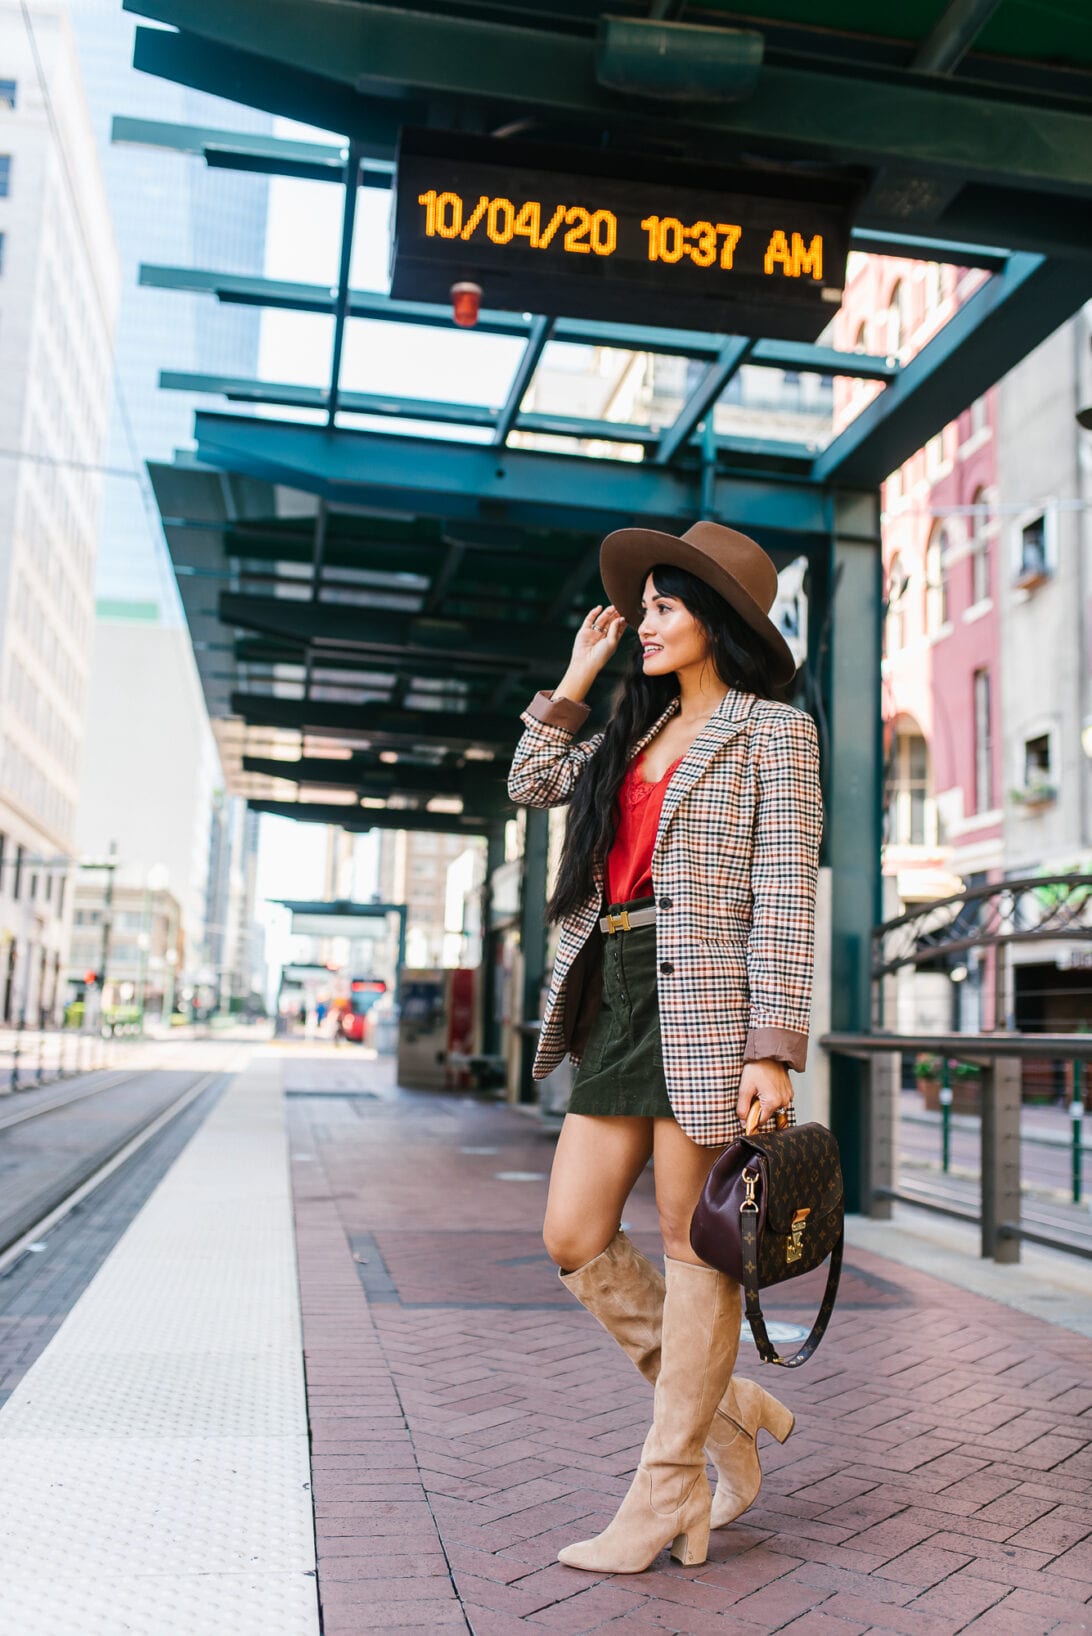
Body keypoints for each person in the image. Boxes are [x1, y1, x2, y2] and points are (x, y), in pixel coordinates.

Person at [507, 520, 823, 1575]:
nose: (641, 622)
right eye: (640, 607)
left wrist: (771, 1046)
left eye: (663, 607)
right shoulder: (626, 740)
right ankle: (723, 1407)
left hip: (711, 1008)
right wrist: (576, 675)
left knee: (697, 1250)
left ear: (716, 621)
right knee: (573, 1233)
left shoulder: (774, 733)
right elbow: (528, 784)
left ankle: (666, 1487)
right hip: (617, 998)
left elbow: (784, 896)